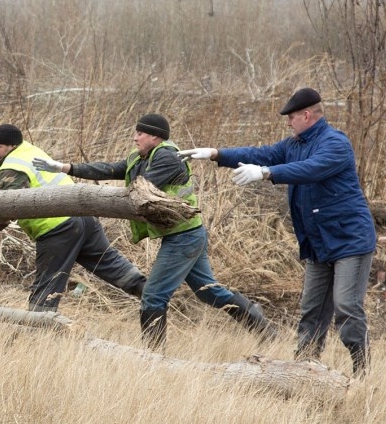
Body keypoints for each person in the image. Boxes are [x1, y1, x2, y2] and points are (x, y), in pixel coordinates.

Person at [32, 114, 278, 350]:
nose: (135, 138)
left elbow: (141, 190)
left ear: (155, 137)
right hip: (186, 235)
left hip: (184, 237)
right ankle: (262, 328)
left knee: (153, 297)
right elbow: (109, 169)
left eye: (140, 133)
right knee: (211, 294)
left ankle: (153, 355)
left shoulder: (168, 158)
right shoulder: (141, 156)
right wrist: (64, 167)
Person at [177, 88, 376, 377]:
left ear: (306, 115)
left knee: (346, 307)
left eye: (291, 117)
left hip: (349, 241)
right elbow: (260, 153)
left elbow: (310, 169)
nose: (288, 123)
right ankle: (303, 369)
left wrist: (267, 173)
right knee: (312, 310)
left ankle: (362, 373)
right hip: (318, 243)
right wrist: (215, 154)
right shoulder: (293, 144)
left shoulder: (335, 144)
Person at [0, 123, 146, 312]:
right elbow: (2, 180)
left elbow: (5, 207)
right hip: (85, 218)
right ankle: (150, 292)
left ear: (11, 146)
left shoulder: (14, 165)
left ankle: (40, 331)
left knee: (47, 285)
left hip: (57, 227)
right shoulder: (29, 152)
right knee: (112, 265)